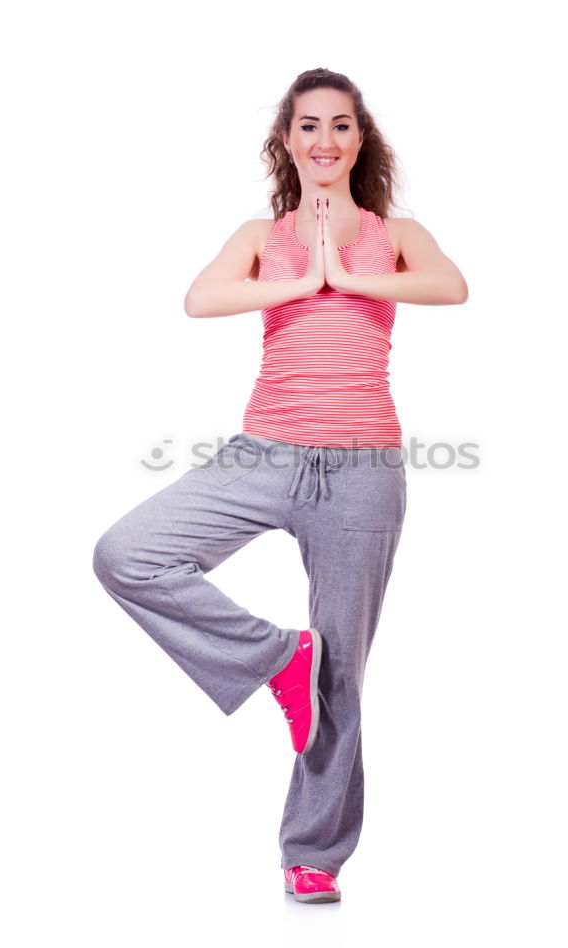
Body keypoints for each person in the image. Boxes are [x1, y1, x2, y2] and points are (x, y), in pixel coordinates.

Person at [92, 67, 468, 904]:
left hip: (363, 469)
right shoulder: (258, 233)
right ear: (288, 140)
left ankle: (315, 856)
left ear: (359, 139)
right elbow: (200, 300)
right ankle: (274, 657)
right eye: (308, 126)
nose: (325, 140)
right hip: (262, 454)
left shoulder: (395, 232)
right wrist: (304, 275)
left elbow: (451, 287)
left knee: (345, 675)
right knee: (127, 555)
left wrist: (347, 267)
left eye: (341, 125)